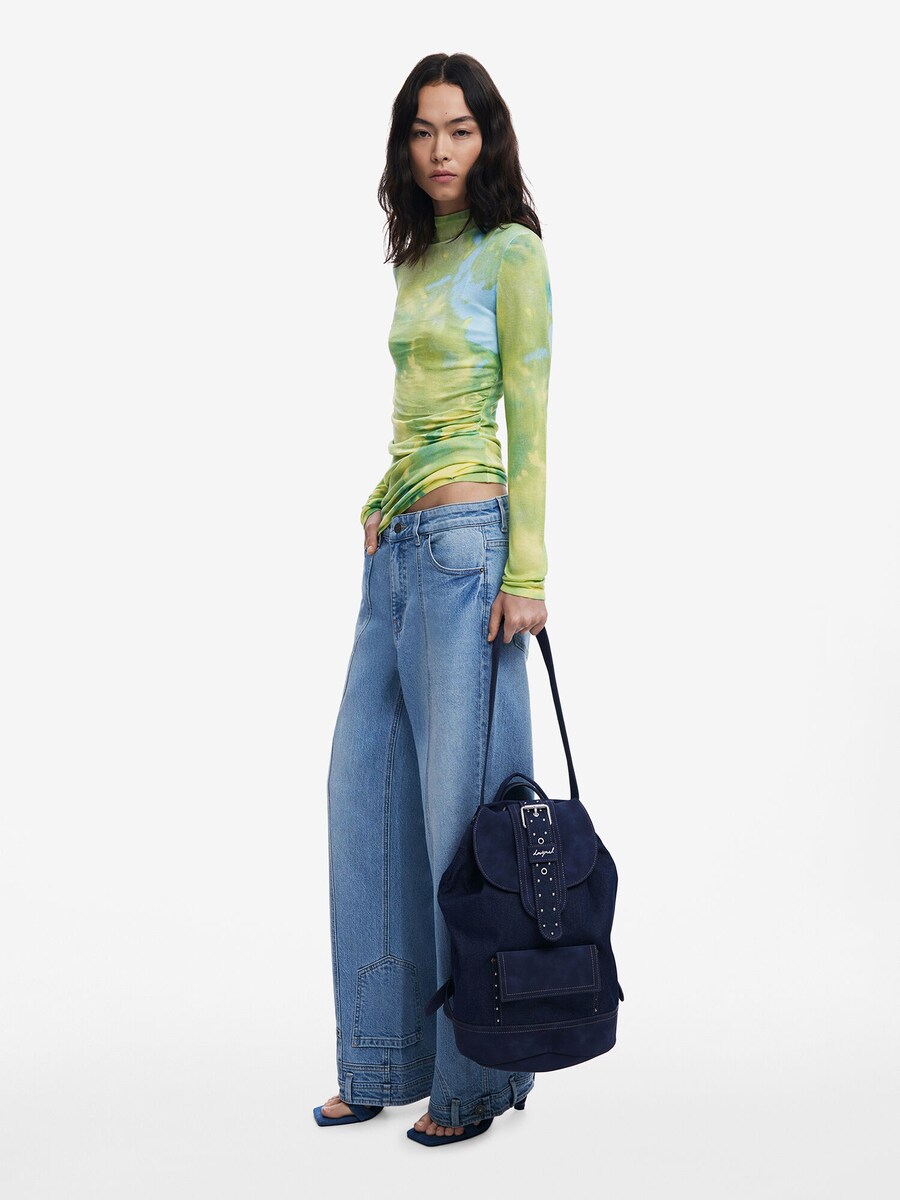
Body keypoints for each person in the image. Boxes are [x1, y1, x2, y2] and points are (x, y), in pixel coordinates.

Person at [315, 52, 553, 1147]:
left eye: (458, 129)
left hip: (468, 552)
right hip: (398, 551)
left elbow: (527, 411)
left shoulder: (513, 254)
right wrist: (378, 498)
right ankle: (380, 1057)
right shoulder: (420, 255)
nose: (440, 150)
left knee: (463, 821)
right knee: (362, 793)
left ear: (487, 137)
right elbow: (420, 408)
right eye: (422, 131)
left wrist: (528, 571)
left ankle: (471, 1084)